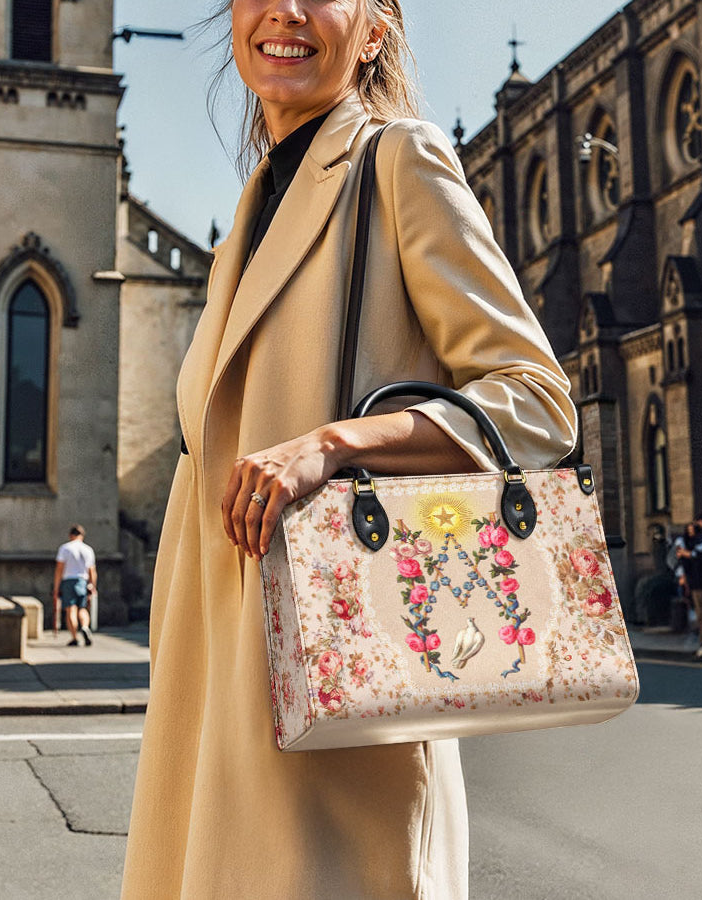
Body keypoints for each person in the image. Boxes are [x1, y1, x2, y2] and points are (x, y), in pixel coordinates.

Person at [120, 2, 577, 898]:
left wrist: (336, 443)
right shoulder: (245, 223)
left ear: (372, 30)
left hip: (336, 721)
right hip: (212, 710)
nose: (285, 12)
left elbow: (535, 401)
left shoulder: (399, 159)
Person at [677, 513, 702, 659]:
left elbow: (697, 556)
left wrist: (687, 555)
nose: (690, 532)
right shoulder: (696, 543)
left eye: (693, 528)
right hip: (698, 583)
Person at [53, 525, 96, 647]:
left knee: (71, 609)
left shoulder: (65, 548)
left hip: (68, 580)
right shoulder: (88, 550)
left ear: (71, 535)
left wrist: (56, 587)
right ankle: (85, 627)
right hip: (83, 581)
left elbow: (59, 569)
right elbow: (92, 571)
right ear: (82, 535)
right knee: (82, 608)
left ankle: (74, 637)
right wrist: (92, 585)